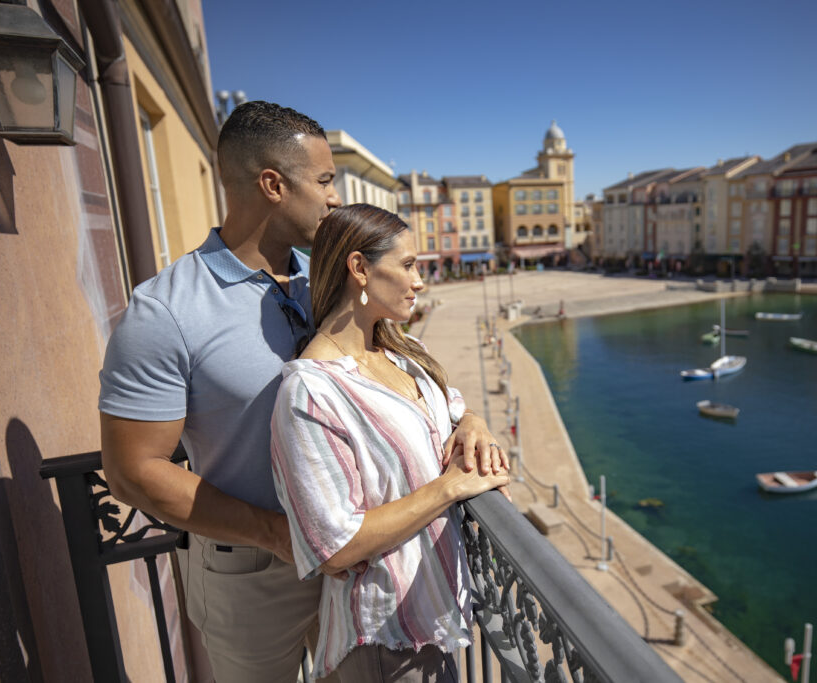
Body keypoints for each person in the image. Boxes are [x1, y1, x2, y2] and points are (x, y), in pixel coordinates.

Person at [98, 102, 497, 682]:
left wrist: (470, 421)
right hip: (255, 573)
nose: (335, 198)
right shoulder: (166, 310)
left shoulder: (336, 283)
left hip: (368, 561)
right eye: (325, 180)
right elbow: (132, 471)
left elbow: (404, 379)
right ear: (273, 185)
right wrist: (279, 534)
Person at [270, 204, 509, 681]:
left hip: (433, 623)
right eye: (408, 265)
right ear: (359, 268)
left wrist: (474, 422)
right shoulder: (311, 392)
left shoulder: (398, 352)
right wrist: (449, 488)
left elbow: (448, 407)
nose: (419, 280)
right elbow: (334, 547)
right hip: (386, 640)